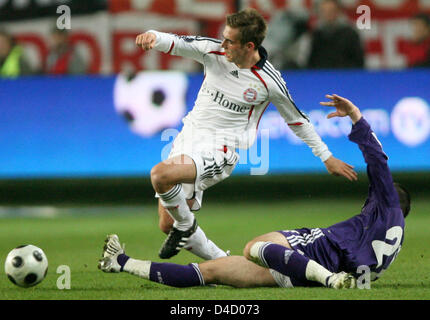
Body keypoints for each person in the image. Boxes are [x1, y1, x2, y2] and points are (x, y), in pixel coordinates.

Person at [99, 94, 410, 290]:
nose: (370, 197)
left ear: (389, 197)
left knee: (253, 249)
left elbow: (378, 159)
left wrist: (356, 115)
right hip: (302, 272)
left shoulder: (386, 204)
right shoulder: (395, 234)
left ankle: (328, 281)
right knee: (213, 271)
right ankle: (122, 262)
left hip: (316, 251)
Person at [134, 8, 357, 262]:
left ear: (249, 46)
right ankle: (225, 262)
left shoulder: (269, 81)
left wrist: (326, 156)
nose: (224, 44)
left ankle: (187, 226)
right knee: (167, 223)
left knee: (160, 175)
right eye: (224, 37)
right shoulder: (213, 51)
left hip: (221, 150)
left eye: (230, 41)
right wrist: (153, 36)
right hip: (188, 138)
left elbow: (297, 121)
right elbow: (178, 42)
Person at [307, 0, 364, 69]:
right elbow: (311, 62)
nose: (328, 14)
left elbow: (358, 61)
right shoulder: (316, 35)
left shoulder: (350, 34)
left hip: (345, 76)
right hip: (321, 76)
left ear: (338, 12)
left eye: (331, 11)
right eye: (324, 11)